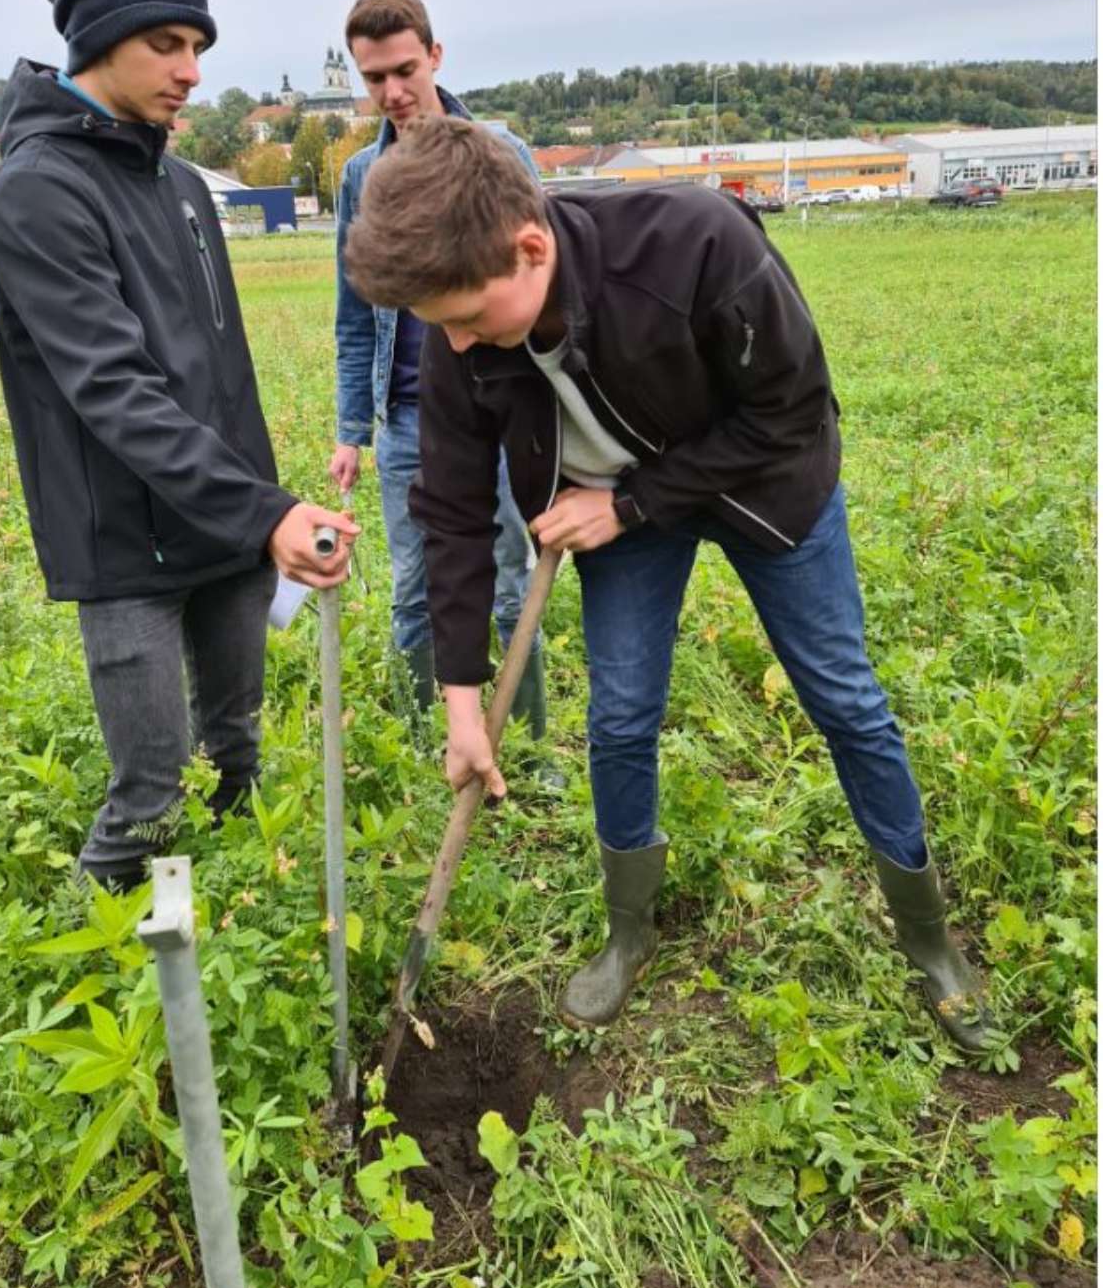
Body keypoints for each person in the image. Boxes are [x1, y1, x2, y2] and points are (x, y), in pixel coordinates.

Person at [343, 114, 994, 1054]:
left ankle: (930, 938)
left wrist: (633, 502)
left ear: (530, 248)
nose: (456, 346)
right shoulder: (455, 333)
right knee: (618, 718)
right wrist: (461, 702)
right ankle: (628, 930)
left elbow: (794, 409)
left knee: (846, 700)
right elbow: (448, 510)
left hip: (765, 485)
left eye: (470, 319)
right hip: (615, 503)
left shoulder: (696, 243)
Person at [0, 0, 357, 892]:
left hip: (226, 533)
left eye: (197, 44)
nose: (191, 68)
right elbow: (115, 391)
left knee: (237, 757)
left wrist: (259, 511)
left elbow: (223, 376)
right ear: (96, 38)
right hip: (126, 549)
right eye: (165, 43)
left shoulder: (183, 186)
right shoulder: (35, 195)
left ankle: (229, 928)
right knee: (149, 786)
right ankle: (88, 952)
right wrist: (265, 510)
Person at [328, 0, 554, 761]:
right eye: (372, 78)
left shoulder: (500, 151)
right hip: (406, 419)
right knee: (413, 591)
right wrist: (351, 429)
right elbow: (355, 315)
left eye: (402, 70)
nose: (391, 92)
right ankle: (422, 748)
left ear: (434, 55)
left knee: (508, 579)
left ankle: (524, 749)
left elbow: (545, 282)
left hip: (496, 413)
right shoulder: (361, 177)